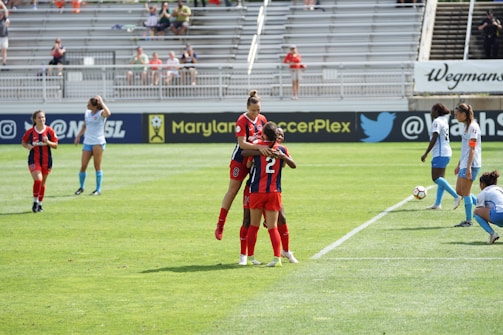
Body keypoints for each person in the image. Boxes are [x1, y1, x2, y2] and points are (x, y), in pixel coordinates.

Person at [238, 126, 298, 265]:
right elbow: (292, 165)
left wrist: (258, 152)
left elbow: (246, 159)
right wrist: (282, 157)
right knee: (273, 227)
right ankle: (277, 258)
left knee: (253, 226)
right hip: (274, 192)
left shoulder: (257, 147)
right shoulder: (282, 150)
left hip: (256, 191)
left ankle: (251, 258)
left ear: (264, 135)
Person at [214, 90, 270, 240]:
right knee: (233, 190)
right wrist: (259, 147)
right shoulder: (242, 120)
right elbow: (242, 143)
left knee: (259, 188)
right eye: (253, 110)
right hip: (240, 159)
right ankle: (220, 223)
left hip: (254, 160)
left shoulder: (262, 119)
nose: (256, 113)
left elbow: (266, 137)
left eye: (258, 110)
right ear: (247, 108)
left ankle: (266, 218)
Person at [420, 103, 462, 210]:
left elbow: (435, 137)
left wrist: (426, 153)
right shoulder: (444, 120)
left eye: (432, 110)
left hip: (440, 153)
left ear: (437, 111)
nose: (431, 112)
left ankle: (456, 196)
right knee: (441, 179)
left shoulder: (437, 121)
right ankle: (438, 203)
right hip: (446, 152)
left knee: (436, 178)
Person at [73, 96, 112, 196]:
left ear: (95, 106)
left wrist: (102, 102)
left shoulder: (100, 113)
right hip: (87, 142)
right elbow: (85, 125)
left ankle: (98, 189)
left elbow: (108, 113)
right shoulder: (87, 113)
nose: (87, 105)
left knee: (97, 166)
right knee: (83, 166)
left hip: (98, 142)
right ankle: (81, 187)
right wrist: (78, 136)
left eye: (89, 104)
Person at [21, 110, 59, 213]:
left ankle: (40, 203)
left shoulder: (50, 131)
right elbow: (23, 142)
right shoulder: (30, 132)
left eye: (43, 117)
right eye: (39, 117)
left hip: (47, 161)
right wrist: (28, 146)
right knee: (38, 180)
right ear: (34, 119)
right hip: (34, 159)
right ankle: (35, 202)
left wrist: (48, 142)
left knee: (42, 183)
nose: (42, 119)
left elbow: (56, 145)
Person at [453, 103, 482, 227]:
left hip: (472, 163)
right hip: (465, 163)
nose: (456, 117)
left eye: (457, 114)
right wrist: (459, 164)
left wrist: (469, 167)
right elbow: (465, 148)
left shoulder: (473, 127)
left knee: (465, 192)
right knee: (459, 190)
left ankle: (468, 220)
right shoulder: (466, 127)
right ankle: (483, 206)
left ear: (464, 114)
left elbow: (472, 149)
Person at [474, 170, 503, 244]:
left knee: (476, 212)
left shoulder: (484, 192)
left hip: (499, 216)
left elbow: (479, 209)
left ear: (482, 184)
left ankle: (492, 233)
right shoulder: (500, 189)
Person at [0, 1, 10, 70]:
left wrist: (2, 3)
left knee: (4, 50)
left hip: (4, 37)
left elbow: (6, 10)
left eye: (1, 13)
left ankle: (4, 63)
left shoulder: (4, 19)